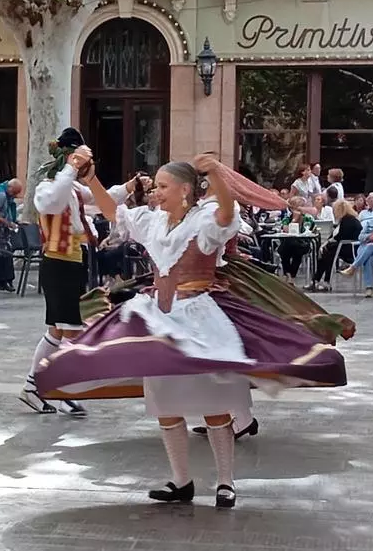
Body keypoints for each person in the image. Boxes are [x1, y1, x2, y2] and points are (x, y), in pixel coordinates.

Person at [36, 156, 347, 509]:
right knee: (166, 406)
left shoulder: (203, 221)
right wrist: (93, 180)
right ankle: (181, 481)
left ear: (185, 190)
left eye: (162, 186)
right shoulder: (152, 221)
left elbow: (226, 216)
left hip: (201, 320)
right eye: (155, 186)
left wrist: (216, 174)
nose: (155, 191)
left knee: (214, 406)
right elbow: (114, 213)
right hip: (160, 319)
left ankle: (226, 482)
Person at [20, 128, 131, 416]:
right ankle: (65, 390)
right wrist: (70, 168)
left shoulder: (72, 188)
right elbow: (52, 202)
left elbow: (99, 199)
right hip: (58, 263)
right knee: (71, 330)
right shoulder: (48, 187)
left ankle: (33, 387)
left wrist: (129, 187)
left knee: (58, 329)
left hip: (72, 262)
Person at [309, 200, 363, 292]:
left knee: (327, 253)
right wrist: (325, 244)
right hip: (343, 246)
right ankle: (317, 280)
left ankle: (322, 281)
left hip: (351, 248)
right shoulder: (344, 220)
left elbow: (341, 236)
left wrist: (327, 244)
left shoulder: (349, 220)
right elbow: (334, 236)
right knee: (325, 252)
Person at [277, 196, 315, 284]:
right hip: (288, 244)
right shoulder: (287, 218)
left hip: (303, 243)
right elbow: (285, 230)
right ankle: (289, 274)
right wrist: (294, 220)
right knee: (285, 248)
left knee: (296, 249)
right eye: (296, 208)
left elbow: (310, 231)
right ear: (291, 209)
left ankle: (290, 274)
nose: (299, 210)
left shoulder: (308, 219)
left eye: (300, 207)